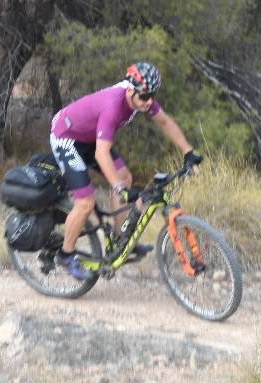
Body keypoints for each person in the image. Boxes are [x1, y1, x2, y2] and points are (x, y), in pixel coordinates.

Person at [49, 61, 202, 279]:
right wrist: (118, 188)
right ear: (130, 90)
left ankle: (120, 239)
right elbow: (102, 154)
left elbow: (165, 122)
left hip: (89, 136)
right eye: (145, 97)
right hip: (66, 137)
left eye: (152, 96)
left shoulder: (141, 97)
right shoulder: (113, 105)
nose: (149, 103)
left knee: (125, 176)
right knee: (86, 202)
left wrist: (188, 151)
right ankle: (65, 255)